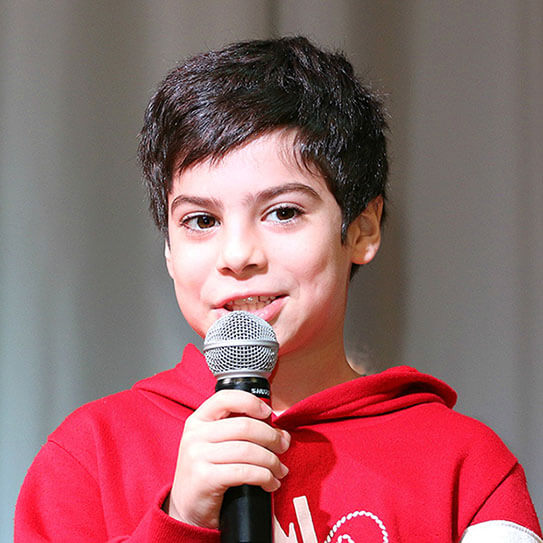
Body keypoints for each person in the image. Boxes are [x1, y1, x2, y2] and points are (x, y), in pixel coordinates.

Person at [15, 36, 541, 542]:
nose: (238, 255)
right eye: (201, 221)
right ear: (168, 250)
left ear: (362, 229)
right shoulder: (89, 454)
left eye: (283, 212)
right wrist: (182, 521)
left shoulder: (466, 464)